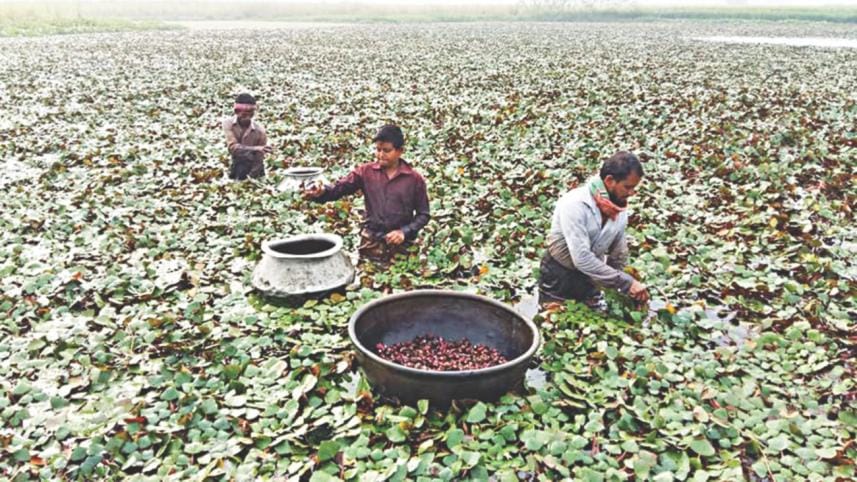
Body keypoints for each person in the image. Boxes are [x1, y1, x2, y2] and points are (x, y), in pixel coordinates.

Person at [303, 124, 430, 260]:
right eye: (378, 149)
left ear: (400, 151)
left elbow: (423, 215)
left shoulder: (414, 179)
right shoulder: (365, 172)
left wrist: (404, 232)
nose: (381, 155)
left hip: (403, 246)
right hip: (371, 242)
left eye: (387, 151)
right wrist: (321, 192)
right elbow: (338, 189)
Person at [539, 151, 650, 306]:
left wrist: (621, 289)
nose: (631, 193)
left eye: (634, 188)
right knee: (553, 320)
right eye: (627, 187)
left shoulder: (619, 207)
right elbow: (582, 258)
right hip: (559, 275)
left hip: (592, 276)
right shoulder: (575, 204)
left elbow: (618, 254)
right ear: (610, 180)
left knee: (594, 317)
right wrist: (625, 282)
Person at [222, 93, 272, 180]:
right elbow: (233, 148)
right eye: (244, 115)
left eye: (251, 114)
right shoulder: (228, 124)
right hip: (237, 165)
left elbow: (258, 159)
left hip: (255, 169)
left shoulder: (260, 131)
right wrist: (256, 148)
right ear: (236, 112)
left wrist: (250, 179)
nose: (248, 118)